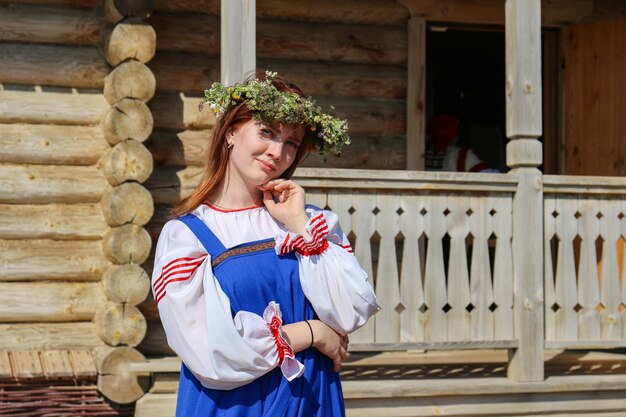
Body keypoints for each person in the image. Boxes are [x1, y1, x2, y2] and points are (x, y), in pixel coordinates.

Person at [151, 71, 379, 417]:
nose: (277, 152)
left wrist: (299, 224)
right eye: (267, 132)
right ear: (230, 131)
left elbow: (350, 310)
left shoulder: (311, 222)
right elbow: (213, 353)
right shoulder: (188, 236)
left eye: (291, 142)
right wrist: (312, 332)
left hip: (313, 400)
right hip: (235, 407)